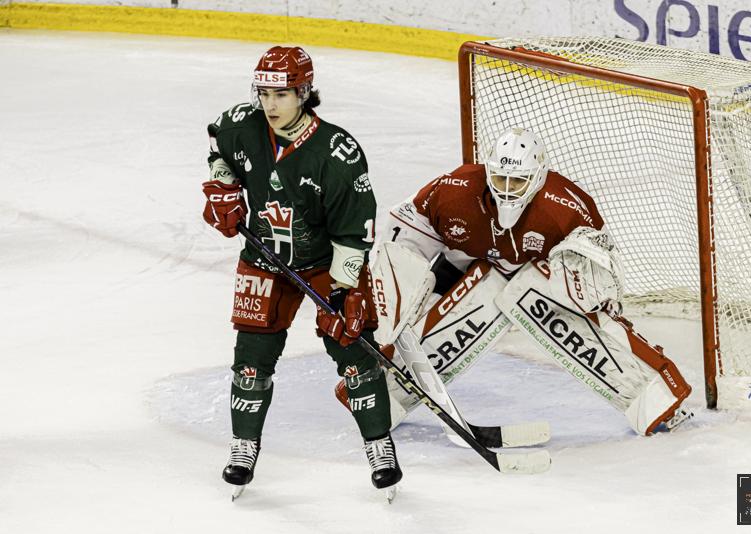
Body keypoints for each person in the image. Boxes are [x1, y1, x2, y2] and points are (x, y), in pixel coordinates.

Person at [338, 126, 693, 438]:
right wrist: (392, 302)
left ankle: (653, 397)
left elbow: (602, 277)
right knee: (437, 299)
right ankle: (379, 393)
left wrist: (586, 295)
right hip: (463, 266)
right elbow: (401, 240)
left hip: (534, 280)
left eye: (518, 181)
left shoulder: (565, 207)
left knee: (543, 298)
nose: (507, 190)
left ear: (538, 177)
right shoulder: (453, 190)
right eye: (500, 179)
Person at [201, 46, 401, 498]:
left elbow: (354, 231)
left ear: (305, 93)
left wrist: (346, 290)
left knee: (354, 356)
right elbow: (219, 149)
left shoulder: (336, 152)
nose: (269, 105)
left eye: (282, 94)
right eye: (264, 93)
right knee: (251, 360)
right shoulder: (242, 124)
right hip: (263, 260)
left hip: (327, 265)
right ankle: (242, 446)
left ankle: (380, 445)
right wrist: (223, 188)